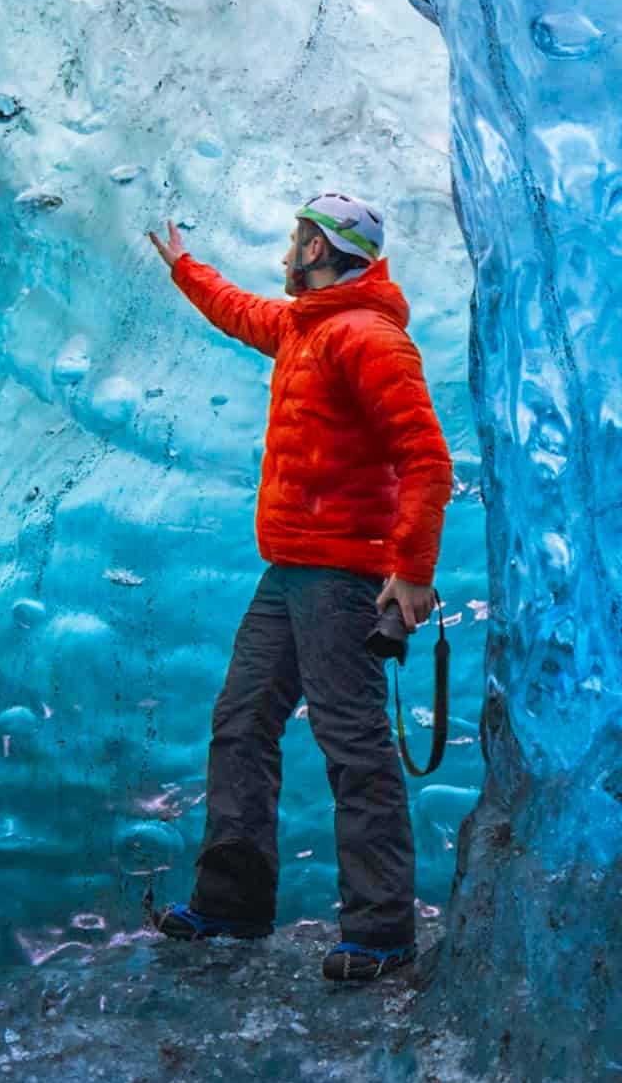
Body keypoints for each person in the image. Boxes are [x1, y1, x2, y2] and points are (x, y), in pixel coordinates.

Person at [144, 191, 452, 983]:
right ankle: (234, 906)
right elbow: (238, 308)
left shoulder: (368, 338)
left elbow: (426, 459)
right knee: (242, 722)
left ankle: (382, 932)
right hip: (288, 572)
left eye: (294, 239)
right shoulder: (304, 327)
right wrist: (185, 269)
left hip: (343, 578)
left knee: (353, 746)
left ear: (318, 249)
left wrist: (411, 571)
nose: (286, 252)